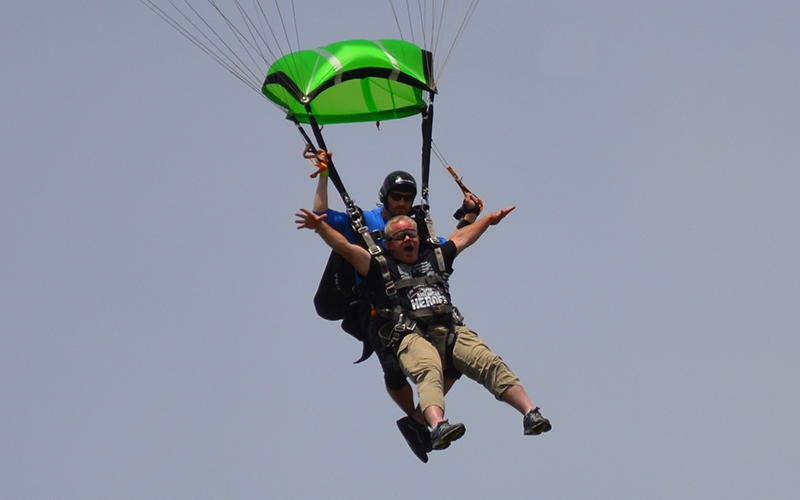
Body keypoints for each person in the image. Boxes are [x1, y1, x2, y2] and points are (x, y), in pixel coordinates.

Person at [295, 205, 552, 452]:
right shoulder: (379, 266)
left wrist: (487, 220)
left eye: (412, 234)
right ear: (389, 244)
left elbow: (462, 238)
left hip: (448, 329)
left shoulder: (435, 257)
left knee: (488, 361)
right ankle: (437, 425)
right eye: (401, 236)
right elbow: (347, 249)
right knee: (430, 369)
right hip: (409, 334)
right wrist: (321, 229)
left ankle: (530, 413)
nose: (409, 239)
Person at [311, 151, 480, 461]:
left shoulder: (415, 230)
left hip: (415, 306)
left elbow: (444, 248)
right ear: (384, 198)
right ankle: (421, 422)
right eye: (396, 197)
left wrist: (469, 215)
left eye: (407, 198)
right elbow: (319, 213)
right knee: (394, 372)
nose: (401, 203)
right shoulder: (364, 219)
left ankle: (419, 422)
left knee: (453, 359)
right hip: (377, 305)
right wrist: (324, 173)